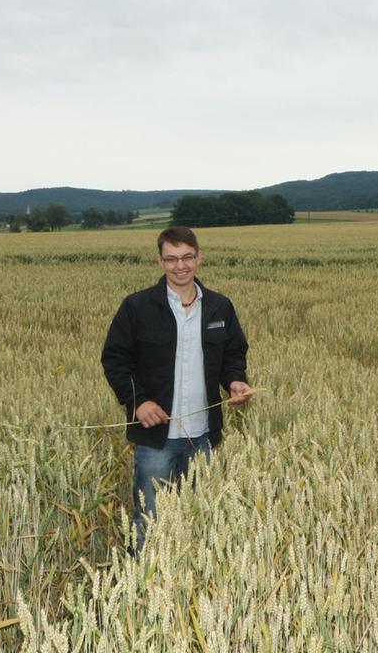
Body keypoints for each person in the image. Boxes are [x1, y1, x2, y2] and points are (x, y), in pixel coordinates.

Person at [101, 226, 252, 549]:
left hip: (203, 437)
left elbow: (233, 354)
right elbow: (115, 359)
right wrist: (138, 402)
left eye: (187, 257)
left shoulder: (219, 307)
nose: (180, 266)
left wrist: (236, 381)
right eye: (171, 259)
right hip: (156, 439)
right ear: (160, 261)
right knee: (149, 520)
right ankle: (140, 587)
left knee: (197, 517)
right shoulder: (137, 307)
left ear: (200, 258)